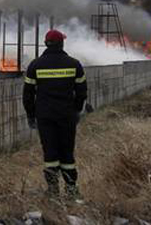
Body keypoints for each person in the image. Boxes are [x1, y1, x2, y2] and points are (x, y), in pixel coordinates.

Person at [23, 29, 87, 199]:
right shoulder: (74, 64)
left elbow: (28, 94)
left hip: (45, 117)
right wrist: (76, 110)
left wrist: (30, 115)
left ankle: (52, 190)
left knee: (50, 153)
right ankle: (71, 189)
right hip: (67, 116)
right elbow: (82, 92)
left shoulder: (35, 65)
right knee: (67, 153)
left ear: (46, 44)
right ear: (62, 44)